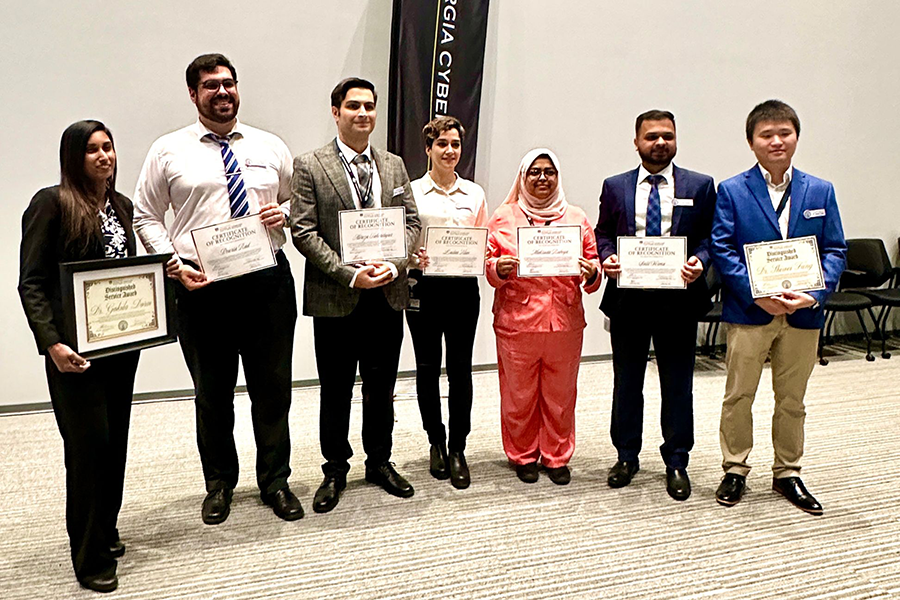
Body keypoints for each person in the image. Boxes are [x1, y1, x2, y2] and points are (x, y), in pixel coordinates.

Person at [133, 54, 303, 524]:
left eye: (229, 83)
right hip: (202, 285)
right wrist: (170, 262)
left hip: (266, 281)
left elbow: (295, 200)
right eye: (211, 86)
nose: (222, 92)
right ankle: (219, 483)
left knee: (273, 389)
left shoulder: (269, 145)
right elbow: (145, 215)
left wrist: (283, 215)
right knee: (213, 393)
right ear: (193, 94)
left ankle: (275, 480)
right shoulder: (168, 150)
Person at [18, 120, 140, 593]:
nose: (104, 156)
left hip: (121, 348)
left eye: (108, 147)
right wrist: (51, 343)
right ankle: (88, 558)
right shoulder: (51, 203)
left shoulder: (122, 205)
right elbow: (32, 282)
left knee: (115, 445)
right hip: (74, 354)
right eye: (92, 150)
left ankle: (105, 530)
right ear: (73, 156)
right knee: (87, 451)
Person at [291, 77, 421, 513]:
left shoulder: (395, 165)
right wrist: (349, 274)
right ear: (336, 112)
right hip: (337, 296)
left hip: (386, 294)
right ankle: (335, 468)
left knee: (382, 386)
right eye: (353, 106)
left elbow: (412, 223)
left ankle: (380, 461)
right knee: (336, 388)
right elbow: (303, 232)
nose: (363, 114)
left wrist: (395, 264)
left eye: (369, 106)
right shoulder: (310, 165)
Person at [711, 100, 846, 514]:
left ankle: (788, 472)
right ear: (751, 142)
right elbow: (722, 247)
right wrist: (756, 292)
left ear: (796, 138)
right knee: (739, 395)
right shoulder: (732, 190)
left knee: (792, 399)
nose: (776, 141)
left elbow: (836, 249)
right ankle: (735, 468)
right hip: (751, 311)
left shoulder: (820, 190)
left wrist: (815, 294)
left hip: (803, 311)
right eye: (766, 135)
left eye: (784, 133)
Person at [594, 110, 717, 501]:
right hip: (628, 300)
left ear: (676, 139)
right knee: (626, 384)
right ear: (637, 142)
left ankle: (677, 460)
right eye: (651, 136)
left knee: (677, 385)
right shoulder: (615, 186)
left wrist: (701, 260)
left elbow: (710, 237)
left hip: (678, 301)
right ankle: (626, 456)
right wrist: (607, 256)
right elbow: (602, 233)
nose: (659, 142)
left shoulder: (700, 185)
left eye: (667, 135)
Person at [486, 148, 601, 485]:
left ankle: (556, 456)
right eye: (534, 172)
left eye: (549, 172)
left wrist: (592, 273)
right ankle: (522, 455)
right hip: (516, 323)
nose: (542, 178)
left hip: (564, 322)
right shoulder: (503, 216)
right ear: (523, 177)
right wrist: (499, 269)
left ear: (558, 176)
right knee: (518, 396)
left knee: (561, 394)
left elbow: (592, 270)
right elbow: (488, 266)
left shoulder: (576, 217)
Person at [406, 116, 488, 489]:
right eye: (442, 144)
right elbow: (401, 241)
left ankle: (458, 446)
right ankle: (434, 440)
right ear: (428, 149)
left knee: (460, 369)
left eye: (455, 144)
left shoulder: (475, 193)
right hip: (423, 287)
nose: (450, 151)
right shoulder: (411, 192)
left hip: (462, 290)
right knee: (426, 367)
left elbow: (482, 244)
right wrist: (412, 257)